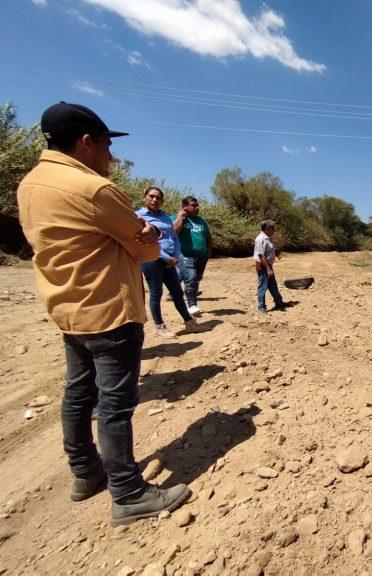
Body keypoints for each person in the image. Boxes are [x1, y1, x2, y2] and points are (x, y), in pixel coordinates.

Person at [16, 101, 190, 527]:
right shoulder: (92, 189)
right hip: (110, 308)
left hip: (67, 307)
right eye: (107, 146)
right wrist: (147, 237)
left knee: (78, 394)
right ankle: (128, 493)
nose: (111, 157)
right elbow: (144, 247)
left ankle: (85, 472)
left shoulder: (29, 185)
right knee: (114, 404)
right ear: (86, 142)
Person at [135, 187, 207, 338]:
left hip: (170, 259)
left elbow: (174, 237)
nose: (155, 200)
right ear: (144, 198)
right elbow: (144, 242)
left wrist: (175, 256)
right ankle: (160, 327)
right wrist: (167, 258)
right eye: (151, 196)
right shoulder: (139, 217)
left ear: (162, 201)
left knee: (177, 292)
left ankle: (189, 323)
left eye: (158, 198)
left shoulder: (165, 217)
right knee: (156, 293)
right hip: (152, 260)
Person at [172, 196, 211, 317]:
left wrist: (207, 254)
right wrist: (180, 215)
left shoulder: (201, 220)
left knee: (196, 279)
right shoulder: (176, 218)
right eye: (193, 205)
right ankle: (191, 305)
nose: (197, 207)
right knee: (191, 277)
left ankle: (174, 292)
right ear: (185, 207)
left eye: (197, 205)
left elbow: (208, 237)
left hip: (202, 256)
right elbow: (174, 230)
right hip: (185, 255)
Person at [253, 219, 287, 313]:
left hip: (268, 265)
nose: (274, 231)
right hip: (263, 266)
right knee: (263, 286)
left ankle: (279, 303)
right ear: (267, 229)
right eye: (272, 229)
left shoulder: (267, 238)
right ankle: (261, 307)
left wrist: (276, 254)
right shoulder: (260, 239)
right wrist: (268, 269)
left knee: (272, 285)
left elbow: (268, 251)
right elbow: (261, 255)